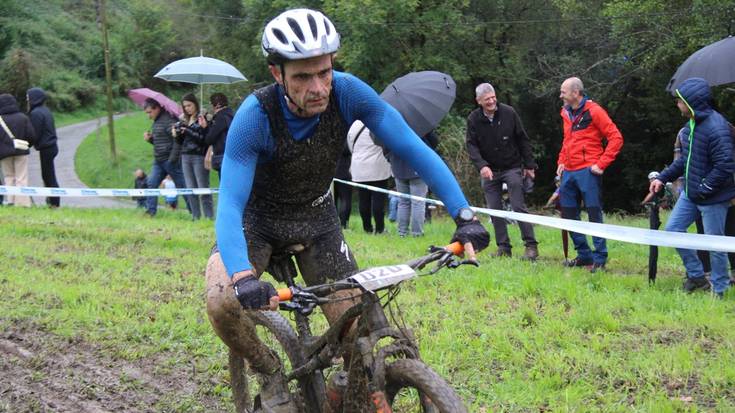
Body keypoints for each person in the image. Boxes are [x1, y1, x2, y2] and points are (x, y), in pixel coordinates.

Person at [204, 9, 489, 411]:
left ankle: (343, 390)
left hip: (318, 223)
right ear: (277, 74)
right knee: (221, 302)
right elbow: (230, 202)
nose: (318, 86)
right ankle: (267, 368)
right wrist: (242, 275)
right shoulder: (254, 117)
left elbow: (412, 147)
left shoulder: (349, 93)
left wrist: (465, 216)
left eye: (324, 72)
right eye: (302, 77)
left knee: (360, 334)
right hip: (257, 223)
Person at [650, 77, 735, 298]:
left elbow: (725, 165)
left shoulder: (718, 128)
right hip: (691, 194)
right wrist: (662, 177)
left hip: (713, 197)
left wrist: (705, 188)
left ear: (691, 103)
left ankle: (720, 288)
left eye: (679, 101)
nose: (677, 105)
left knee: (715, 246)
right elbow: (684, 161)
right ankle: (697, 276)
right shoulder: (689, 128)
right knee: (673, 231)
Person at [557, 77, 624, 272]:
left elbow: (616, 138)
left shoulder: (595, 111)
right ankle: (584, 255)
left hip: (588, 171)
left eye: (563, 92)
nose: (560, 95)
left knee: (594, 213)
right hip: (568, 171)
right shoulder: (565, 112)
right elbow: (566, 141)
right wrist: (561, 161)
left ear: (576, 93)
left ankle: (600, 258)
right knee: (569, 214)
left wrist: (601, 164)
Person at [466, 83, 539, 260]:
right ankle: (503, 247)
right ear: (479, 101)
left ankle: (531, 246)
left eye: (493, 97)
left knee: (517, 206)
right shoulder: (473, 119)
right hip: (489, 170)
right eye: (487, 99)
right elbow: (471, 145)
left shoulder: (509, 112)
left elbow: (522, 139)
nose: (492, 101)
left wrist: (529, 165)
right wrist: (482, 165)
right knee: (494, 209)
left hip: (512, 166)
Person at [142, 98, 189, 217]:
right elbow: (161, 142)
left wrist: (172, 159)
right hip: (159, 161)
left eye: (149, 112)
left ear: (157, 108)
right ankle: (150, 212)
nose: (148, 115)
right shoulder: (156, 121)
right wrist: (150, 139)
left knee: (183, 187)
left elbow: (178, 140)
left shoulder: (168, 120)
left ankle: (195, 213)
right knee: (151, 183)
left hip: (171, 162)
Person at [389, 130, 438, 237]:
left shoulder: (392, 124)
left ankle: (402, 232)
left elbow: (385, 147)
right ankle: (417, 233)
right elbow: (434, 142)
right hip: (418, 167)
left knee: (403, 202)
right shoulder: (422, 125)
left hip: (398, 167)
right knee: (418, 202)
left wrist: (391, 160)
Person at [346, 121, 391, 234]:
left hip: (359, 166)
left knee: (363, 199)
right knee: (378, 199)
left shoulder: (354, 125)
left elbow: (350, 145)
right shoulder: (378, 123)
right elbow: (385, 143)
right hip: (377, 165)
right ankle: (380, 229)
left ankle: (367, 228)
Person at [173, 94, 213, 220]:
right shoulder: (184, 119)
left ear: (195, 103)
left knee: (203, 188)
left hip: (199, 156)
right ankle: (196, 217)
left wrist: (188, 130)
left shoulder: (204, 118)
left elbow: (204, 139)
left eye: (189, 105)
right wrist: (177, 134)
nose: (187, 108)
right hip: (185, 156)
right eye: (185, 106)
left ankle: (209, 217)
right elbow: (181, 142)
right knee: (190, 189)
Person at [0, 93, 36, 207]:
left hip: (4, 153)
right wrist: (26, 146)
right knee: (21, 177)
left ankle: (11, 201)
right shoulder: (23, 117)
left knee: (8, 176)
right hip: (21, 151)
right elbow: (31, 135)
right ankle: (22, 203)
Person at [27, 87, 60, 208]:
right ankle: (51, 199)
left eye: (28, 97)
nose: (27, 100)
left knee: (48, 176)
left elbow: (35, 133)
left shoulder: (36, 113)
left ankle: (54, 202)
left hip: (46, 147)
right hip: (51, 146)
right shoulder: (45, 110)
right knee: (48, 175)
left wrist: (26, 145)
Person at [201, 92, 234, 179]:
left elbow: (210, 139)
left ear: (218, 104)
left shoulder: (220, 117)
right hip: (231, 154)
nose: (211, 107)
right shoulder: (231, 115)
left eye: (211, 104)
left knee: (224, 183)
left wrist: (205, 128)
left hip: (222, 156)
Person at [333, 144, 352, 229]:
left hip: (330, 173)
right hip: (343, 172)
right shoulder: (343, 136)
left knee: (332, 200)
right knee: (345, 199)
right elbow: (349, 150)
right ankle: (344, 224)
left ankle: (333, 223)